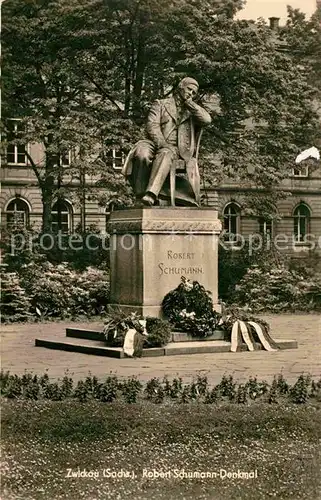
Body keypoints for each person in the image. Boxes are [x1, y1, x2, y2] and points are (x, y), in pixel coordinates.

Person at [122, 77, 212, 206]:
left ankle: (151, 194)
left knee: (166, 153)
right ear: (180, 87)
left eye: (194, 93)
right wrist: (162, 143)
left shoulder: (192, 111)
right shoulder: (160, 104)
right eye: (189, 89)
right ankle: (140, 194)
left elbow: (207, 120)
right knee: (141, 152)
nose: (190, 93)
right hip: (154, 142)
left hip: (177, 148)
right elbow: (152, 126)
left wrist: (190, 103)